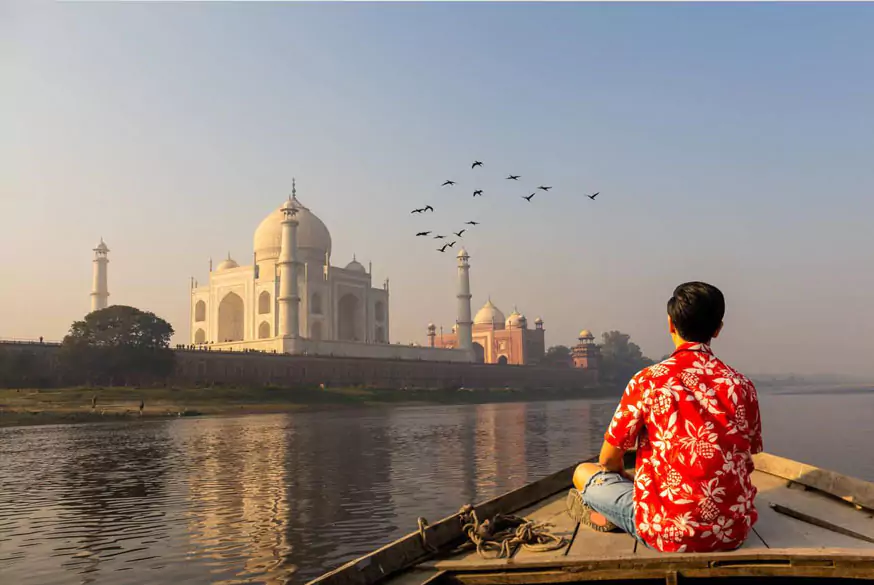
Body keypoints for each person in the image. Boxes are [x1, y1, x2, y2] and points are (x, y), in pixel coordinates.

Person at [567, 282, 762, 553]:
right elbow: (749, 451)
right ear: (718, 329)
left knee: (582, 472)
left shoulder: (648, 381)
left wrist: (626, 477)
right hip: (732, 531)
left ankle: (613, 515)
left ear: (670, 324)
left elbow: (607, 460)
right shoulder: (741, 385)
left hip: (667, 532)